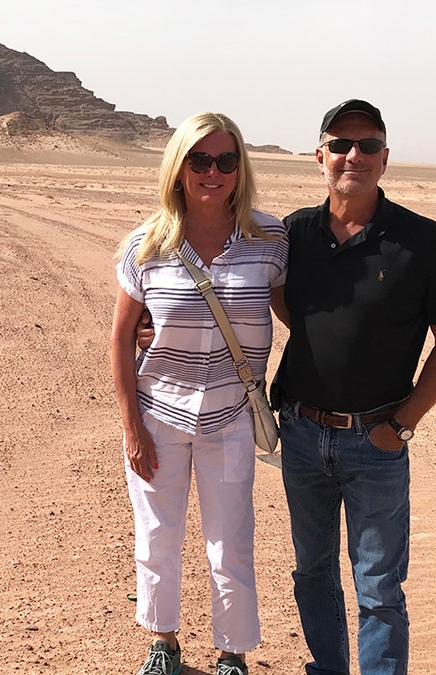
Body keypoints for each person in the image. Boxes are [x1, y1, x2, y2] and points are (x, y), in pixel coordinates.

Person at [270, 99, 436, 675]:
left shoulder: (422, 240)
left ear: (385, 159)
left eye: (367, 145)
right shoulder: (295, 232)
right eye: (340, 144)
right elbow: (270, 299)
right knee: (311, 571)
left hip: (376, 440)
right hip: (303, 433)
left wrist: (402, 425)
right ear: (320, 157)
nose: (352, 155)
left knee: (378, 585)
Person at [110, 112, 288, 675]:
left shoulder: (269, 239)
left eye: (226, 160)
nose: (214, 171)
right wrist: (132, 428)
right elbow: (119, 340)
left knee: (230, 543)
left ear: (240, 169)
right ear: (179, 167)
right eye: (200, 159)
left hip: (231, 420)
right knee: (157, 537)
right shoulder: (147, 245)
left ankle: (231, 654)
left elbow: (303, 316)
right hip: (159, 415)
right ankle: (163, 646)